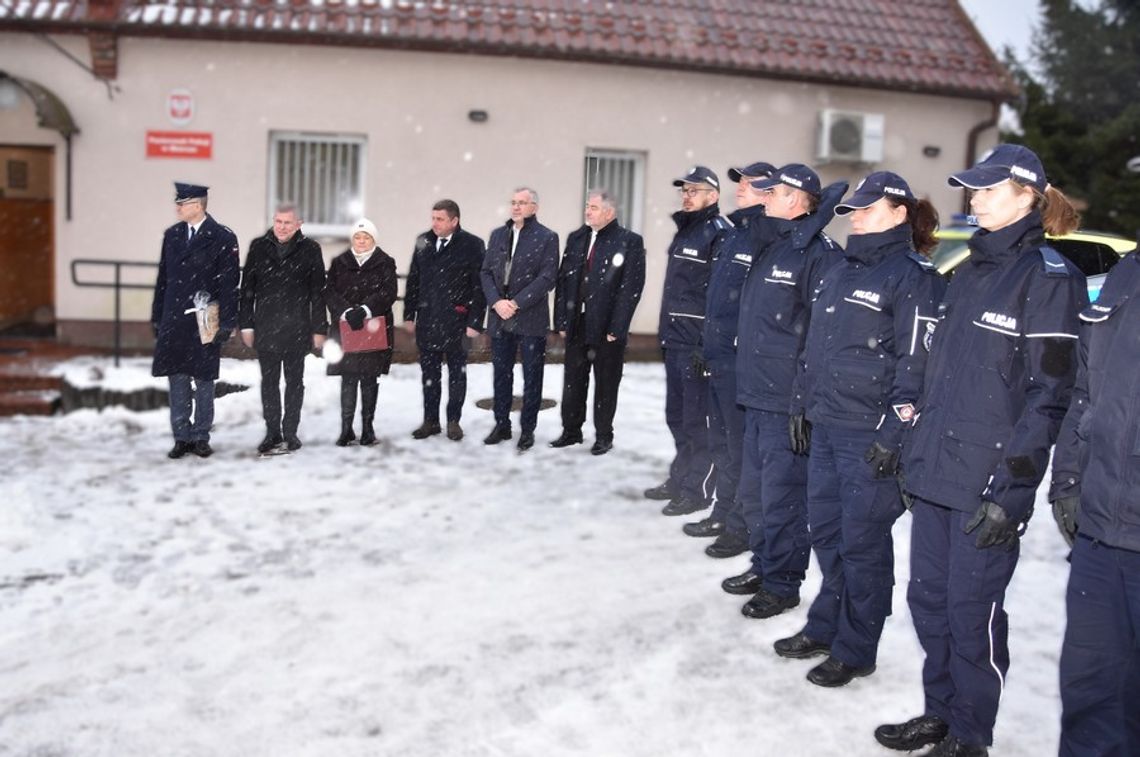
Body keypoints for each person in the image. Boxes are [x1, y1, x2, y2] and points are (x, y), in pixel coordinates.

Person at [876, 144, 1086, 757]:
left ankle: (972, 735)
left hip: (987, 484)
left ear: (1029, 196)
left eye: (991, 189)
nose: (976, 197)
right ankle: (939, 715)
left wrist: (1012, 493)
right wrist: (912, 454)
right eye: (974, 188)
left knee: (973, 616)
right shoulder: (963, 273)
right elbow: (933, 372)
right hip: (937, 471)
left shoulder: (1050, 280)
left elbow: (1051, 397)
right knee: (929, 604)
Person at [774, 172, 947, 688]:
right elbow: (815, 348)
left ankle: (857, 646)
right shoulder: (841, 271)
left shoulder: (914, 277)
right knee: (826, 533)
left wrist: (893, 436)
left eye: (871, 209)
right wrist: (801, 405)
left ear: (899, 213)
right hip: (826, 425)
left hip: (868, 435)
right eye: (856, 209)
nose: (859, 217)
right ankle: (827, 624)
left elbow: (916, 368)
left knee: (862, 543)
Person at [723, 164, 847, 619]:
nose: (766, 196)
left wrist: (802, 400)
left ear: (797, 199)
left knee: (782, 498)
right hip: (756, 394)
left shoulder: (819, 254)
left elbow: (821, 335)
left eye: (774, 191)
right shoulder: (773, 247)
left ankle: (782, 582)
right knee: (754, 493)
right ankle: (764, 563)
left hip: (785, 402)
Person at [1049, 250, 1140, 755]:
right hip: (1102, 534)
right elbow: (1085, 387)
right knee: (1090, 696)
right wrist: (1067, 477)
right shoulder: (1127, 272)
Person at [683, 161, 774, 559]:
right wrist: (707, 343)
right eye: (740, 181)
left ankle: (740, 525)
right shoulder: (737, 234)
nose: (741, 187)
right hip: (718, 356)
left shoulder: (764, 238)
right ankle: (723, 512)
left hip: (742, 362)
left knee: (740, 449)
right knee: (722, 442)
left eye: (752, 183)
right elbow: (718, 299)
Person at [644, 166, 730, 516]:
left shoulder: (719, 234)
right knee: (676, 416)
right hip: (675, 341)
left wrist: (706, 345)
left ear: (713, 196)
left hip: (696, 346)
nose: (686, 195)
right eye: (684, 190)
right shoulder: (686, 232)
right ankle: (680, 477)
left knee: (697, 421)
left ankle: (697, 489)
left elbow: (720, 296)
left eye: (694, 190)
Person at [550, 189, 646, 455]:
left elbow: (631, 288)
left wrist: (618, 327)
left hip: (607, 328)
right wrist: (561, 319)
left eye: (593, 207)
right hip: (577, 323)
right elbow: (563, 282)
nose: (587, 211)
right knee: (573, 381)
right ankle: (571, 431)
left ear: (609, 212)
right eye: (587, 206)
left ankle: (604, 435)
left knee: (605, 383)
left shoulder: (629, 242)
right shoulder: (577, 238)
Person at [151, 182, 240, 459]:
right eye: (178, 202)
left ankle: (201, 435)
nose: (177, 207)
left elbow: (229, 283)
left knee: (203, 378)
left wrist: (228, 321)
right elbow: (163, 279)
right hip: (175, 316)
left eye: (183, 203)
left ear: (199, 205)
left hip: (206, 316)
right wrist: (157, 316)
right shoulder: (172, 235)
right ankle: (182, 436)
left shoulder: (222, 237)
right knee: (177, 377)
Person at [238, 203, 328, 454]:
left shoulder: (311, 249)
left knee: (294, 382)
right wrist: (246, 324)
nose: (281, 227)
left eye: (287, 222)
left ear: (299, 224)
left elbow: (317, 293)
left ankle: (290, 432)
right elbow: (247, 290)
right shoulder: (258, 247)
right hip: (266, 326)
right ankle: (272, 432)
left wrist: (320, 328)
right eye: (278, 221)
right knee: (269, 382)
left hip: (297, 327)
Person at [480, 186, 559, 452]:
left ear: (534, 207)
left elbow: (547, 278)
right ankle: (501, 424)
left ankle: (527, 430)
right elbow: (486, 273)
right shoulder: (498, 235)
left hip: (530, 319)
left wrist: (515, 303)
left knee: (531, 376)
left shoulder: (547, 237)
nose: (516, 207)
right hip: (500, 318)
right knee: (501, 374)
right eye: (513, 202)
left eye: (522, 203)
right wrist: (496, 302)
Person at [403, 199, 487, 442]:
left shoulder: (472, 245)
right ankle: (431, 421)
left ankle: (453, 421)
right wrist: (409, 314)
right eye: (433, 218)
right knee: (429, 374)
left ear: (454, 221)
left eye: (440, 219)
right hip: (428, 320)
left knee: (456, 375)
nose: (434, 223)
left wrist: (474, 322)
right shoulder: (424, 241)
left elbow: (479, 288)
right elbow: (414, 280)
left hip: (458, 323)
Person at [324, 218, 398, 447]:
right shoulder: (340, 262)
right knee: (348, 379)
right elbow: (329, 291)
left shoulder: (385, 262)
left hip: (372, 328)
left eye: (366, 237)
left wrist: (366, 309)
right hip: (346, 328)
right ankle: (346, 429)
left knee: (368, 378)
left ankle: (367, 428)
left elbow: (389, 292)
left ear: (373, 239)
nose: (362, 241)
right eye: (358, 236)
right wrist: (345, 311)